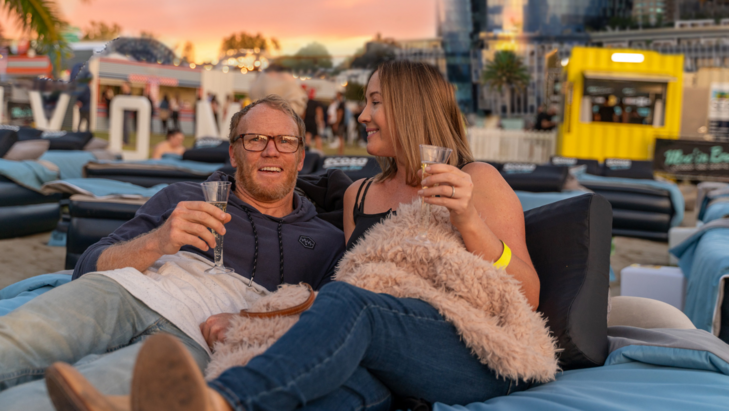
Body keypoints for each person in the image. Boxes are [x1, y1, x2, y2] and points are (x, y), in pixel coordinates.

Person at [46, 61, 545, 411]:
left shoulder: (477, 179)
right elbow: (346, 289)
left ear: (411, 107)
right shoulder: (360, 196)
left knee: (353, 304)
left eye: (374, 102)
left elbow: (526, 294)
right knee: (332, 386)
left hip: (468, 349)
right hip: (388, 362)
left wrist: (469, 223)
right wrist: (248, 320)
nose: (363, 115)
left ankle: (218, 401)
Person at [0, 95, 345, 411]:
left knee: (73, 397)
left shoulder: (327, 239)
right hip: (126, 291)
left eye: (284, 141)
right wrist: (158, 242)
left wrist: (250, 323)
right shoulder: (183, 195)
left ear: (300, 157)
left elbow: (329, 319)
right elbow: (89, 265)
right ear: (233, 153)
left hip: (195, 338)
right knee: (15, 343)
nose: (271, 151)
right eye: (255, 139)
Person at [302, 87, 324, 152]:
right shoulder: (316, 103)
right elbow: (319, 112)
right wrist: (320, 121)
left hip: (307, 120)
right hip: (313, 121)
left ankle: (307, 150)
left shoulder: (306, 102)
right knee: (317, 136)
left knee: (307, 135)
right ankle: (319, 150)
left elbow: (303, 113)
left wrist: (302, 120)